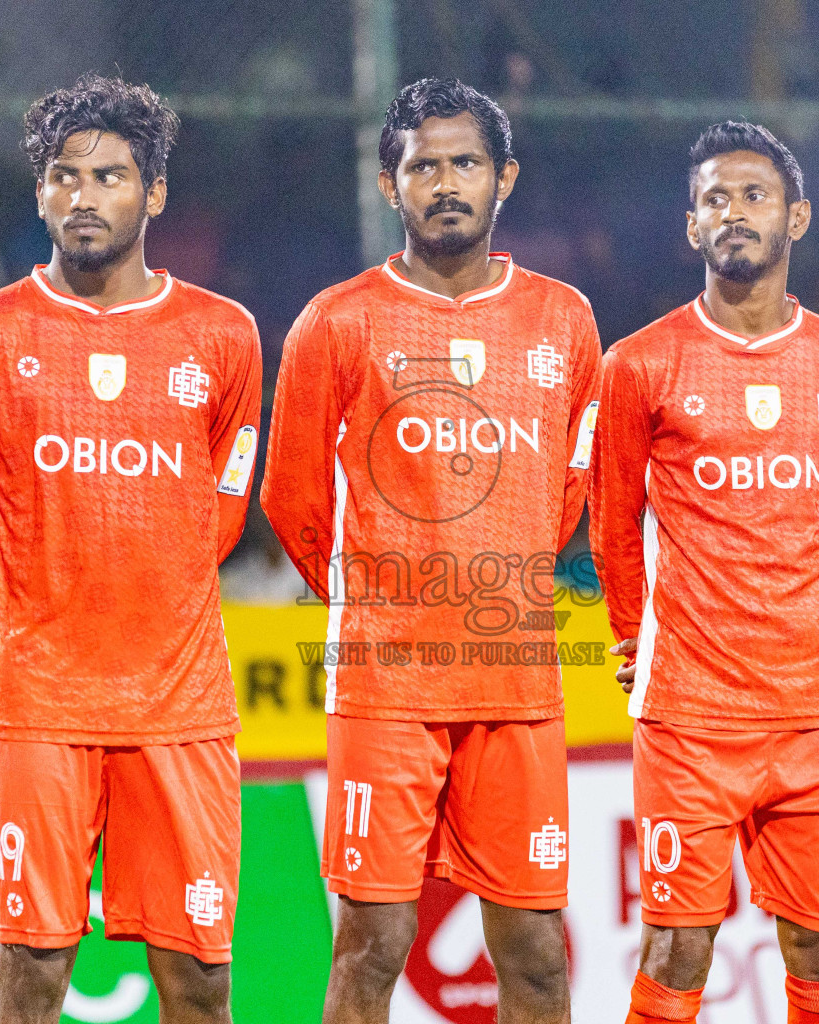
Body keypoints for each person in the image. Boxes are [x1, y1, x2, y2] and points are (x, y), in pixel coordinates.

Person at [0, 74, 261, 1024]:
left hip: (181, 708)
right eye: (64, 178)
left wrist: (148, 576)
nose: (83, 196)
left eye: (109, 177)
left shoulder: (224, 337)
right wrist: (48, 582)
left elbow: (223, 511)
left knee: (198, 980)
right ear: (39, 195)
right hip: (45, 707)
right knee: (31, 970)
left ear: (152, 194)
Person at [262, 77, 600, 1024]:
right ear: (388, 184)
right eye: (423, 166)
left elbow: (572, 487)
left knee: (536, 956)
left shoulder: (564, 320)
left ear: (506, 179)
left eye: (466, 163)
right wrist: (382, 596)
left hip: (518, 680)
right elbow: (291, 499)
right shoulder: (337, 320)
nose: (445, 183)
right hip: (388, 684)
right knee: (372, 945)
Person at [590, 122, 819, 1024]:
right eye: (714, 198)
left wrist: (774, 602)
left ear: (796, 216)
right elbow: (611, 525)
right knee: (678, 949)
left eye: (753, 195)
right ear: (691, 227)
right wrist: (634, 638)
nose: (733, 212)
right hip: (692, 717)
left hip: (817, 710)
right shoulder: (638, 363)